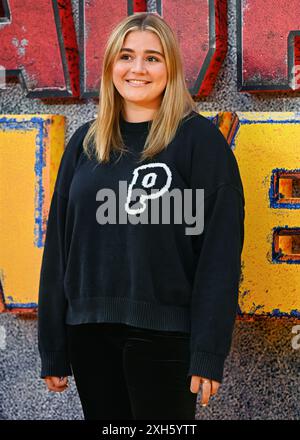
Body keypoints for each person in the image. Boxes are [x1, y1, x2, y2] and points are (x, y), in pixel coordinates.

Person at [37, 12, 245, 420]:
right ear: (111, 65)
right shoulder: (85, 143)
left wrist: (207, 351)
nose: (137, 69)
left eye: (152, 58)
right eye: (126, 56)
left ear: (171, 68)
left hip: (165, 337)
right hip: (89, 333)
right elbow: (59, 248)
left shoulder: (199, 143)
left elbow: (219, 257)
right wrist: (54, 346)